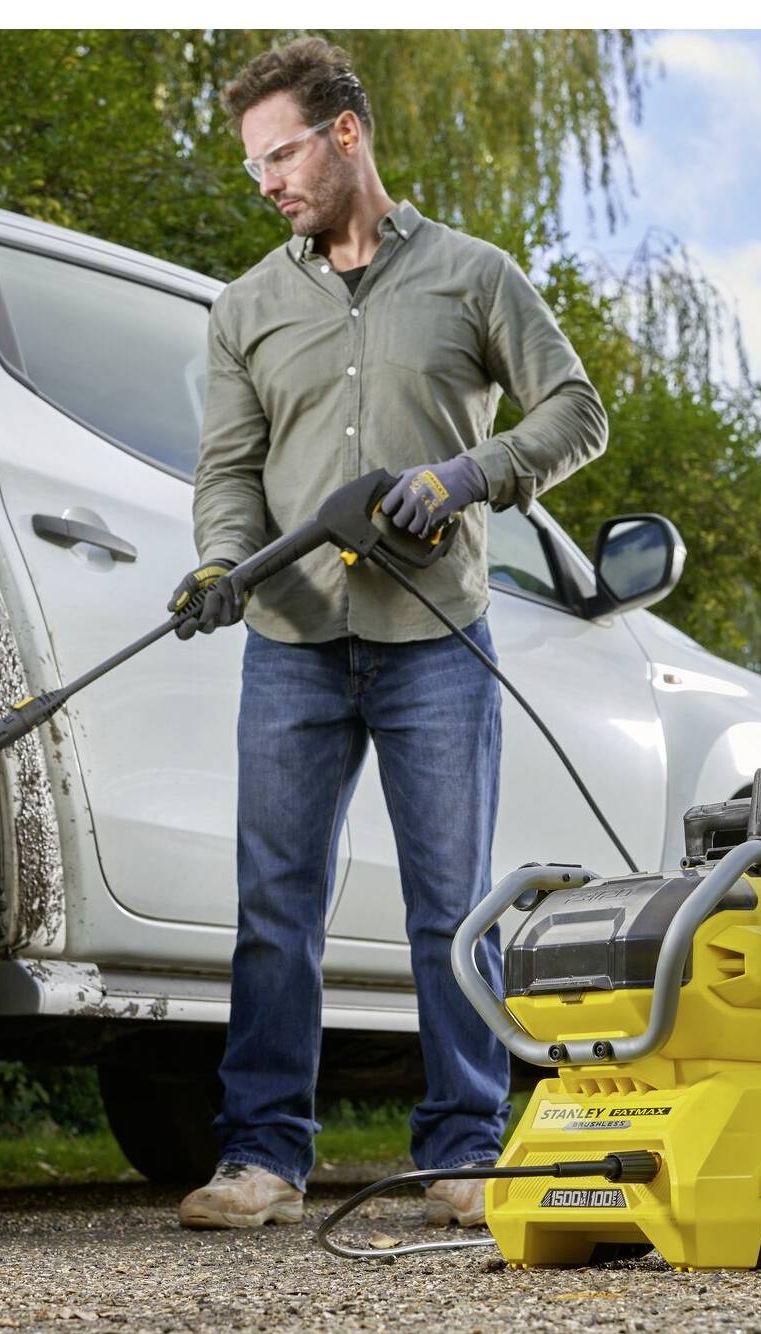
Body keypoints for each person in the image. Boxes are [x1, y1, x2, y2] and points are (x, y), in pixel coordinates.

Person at [171, 37, 608, 1230]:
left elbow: (577, 413)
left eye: (282, 152)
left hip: (437, 644)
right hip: (292, 642)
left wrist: (472, 474)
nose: (266, 181)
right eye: (253, 163)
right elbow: (229, 470)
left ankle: (464, 1153)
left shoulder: (474, 277)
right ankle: (262, 1158)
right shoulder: (248, 307)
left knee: (447, 906)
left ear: (346, 133)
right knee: (276, 906)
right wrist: (220, 559)